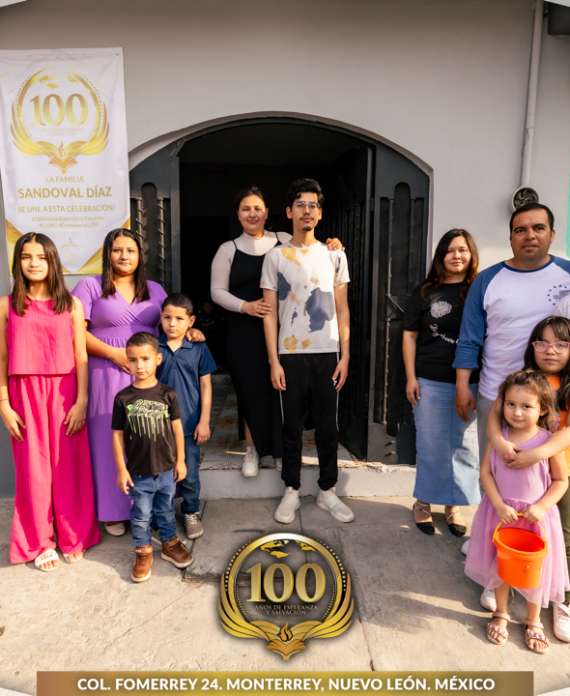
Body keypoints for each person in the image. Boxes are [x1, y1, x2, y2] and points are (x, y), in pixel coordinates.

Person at [210, 186, 341, 477]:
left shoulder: (281, 241)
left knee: (281, 391)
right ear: (237, 214)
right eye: (246, 209)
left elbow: (310, 251)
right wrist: (245, 306)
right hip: (244, 332)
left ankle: (280, 450)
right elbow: (216, 291)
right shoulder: (228, 249)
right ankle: (252, 448)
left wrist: (333, 244)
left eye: (257, 208)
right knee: (250, 390)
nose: (252, 214)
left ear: (268, 212)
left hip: (283, 329)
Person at [0, 232, 100, 571]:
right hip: (24, 393)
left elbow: (81, 355)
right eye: (26, 256)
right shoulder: (6, 305)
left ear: (52, 261)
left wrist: (82, 400)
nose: (33, 263)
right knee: (34, 470)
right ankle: (40, 541)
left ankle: (73, 534)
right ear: (17, 262)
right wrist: (4, 404)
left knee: (68, 467)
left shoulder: (72, 305)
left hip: (65, 392)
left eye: (41, 257)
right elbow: (1, 358)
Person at [261, 177, 352, 524]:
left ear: (320, 212)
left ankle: (328, 490)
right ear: (288, 212)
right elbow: (269, 314)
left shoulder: (334, 255)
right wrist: (274, 360)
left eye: (313, 205)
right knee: (292, 426)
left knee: (328, 426)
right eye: (300, 204)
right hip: (290, 354)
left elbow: (342, 309)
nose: (307, 211)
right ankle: (292, 489)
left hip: (327, 351)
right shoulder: (275, 257)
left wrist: (345, 355)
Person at [465, 370, 569, 653]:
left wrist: (542, 506)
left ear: (542, 409)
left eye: (526, 406)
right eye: (511, 404)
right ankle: (501, 612)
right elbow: (486, 473)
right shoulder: (500, 438)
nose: (517, 412)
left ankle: (533, 620)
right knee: (501, 565)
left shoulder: (548, 442)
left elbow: (561, 481)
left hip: (536, 520)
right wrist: (499, 504)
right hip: (501, 514)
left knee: (534, 571)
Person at [454, 203, 570, 455]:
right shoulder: (486, 280)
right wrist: (462, 386)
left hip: (557, 397)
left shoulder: (567, 274)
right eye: (520, 230)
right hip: (497, 394)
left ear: (552, 234)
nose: (530, 235)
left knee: (554, 471)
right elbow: (469, 339)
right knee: (494, 467)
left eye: (538, 228)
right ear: (510, 238)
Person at [73, 229, 167, 536]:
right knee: (108, 437)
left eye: (131, 250)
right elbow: (76, 333)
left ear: (140, 256)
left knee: (147, 437)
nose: (124, 256)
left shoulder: (154, 289)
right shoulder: (90, 286)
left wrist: (191, 332)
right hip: (105, 372)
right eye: (117, 250)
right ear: (108, 254)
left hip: (146, 375)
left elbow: (170, 325)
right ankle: (113, 511)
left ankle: (151, 507)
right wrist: (114, 353)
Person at [487, 316, 570, 642]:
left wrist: (537, 453)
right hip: (517, 472)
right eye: (543, 342)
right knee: (507, 534)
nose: (551, 350)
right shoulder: (522, 380)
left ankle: (561, 600)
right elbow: (495, 415)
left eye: (561, 344)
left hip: (554, 468)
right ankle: (499, 585)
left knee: (561, 538)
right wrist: (499, 442)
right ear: (532, 345)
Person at [402, 229, 480, 537]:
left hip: (471, 381)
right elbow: (409, 335)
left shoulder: (478, 289)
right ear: (440, 255)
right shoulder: (425, 292)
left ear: (471, 254)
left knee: (463, 446)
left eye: (462, 250)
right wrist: (411, 377)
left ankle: (453, 505)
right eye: (450, 250)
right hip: (430, 379)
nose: (457, 255)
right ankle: (423, 502)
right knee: (430, 445)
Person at [111, 331, 193, 583]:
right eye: (133, 359)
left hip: (167, 469)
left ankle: (169, 544)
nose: (140, 365)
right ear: (127, 361)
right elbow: (117, 435)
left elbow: (177, 429)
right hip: (139, 472)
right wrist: (121, 469)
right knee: (141, 515)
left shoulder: (168, 394)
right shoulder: (123, 398)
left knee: (166, 510)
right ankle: (143, 552)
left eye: (145, 359)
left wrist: (181, 460)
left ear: (158, 359)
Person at [157, 293, 217, 540]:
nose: (172, 323)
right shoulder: (154, 348)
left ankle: (191, 512)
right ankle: (163, 514)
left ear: (191, 321)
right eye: (167, 317)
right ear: (160, 318)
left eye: (179, 319)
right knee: (162, 473)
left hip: (190, 424)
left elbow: (206, 385)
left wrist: (204, 421)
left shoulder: (198, 348)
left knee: (190, 474)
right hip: (159, 426)